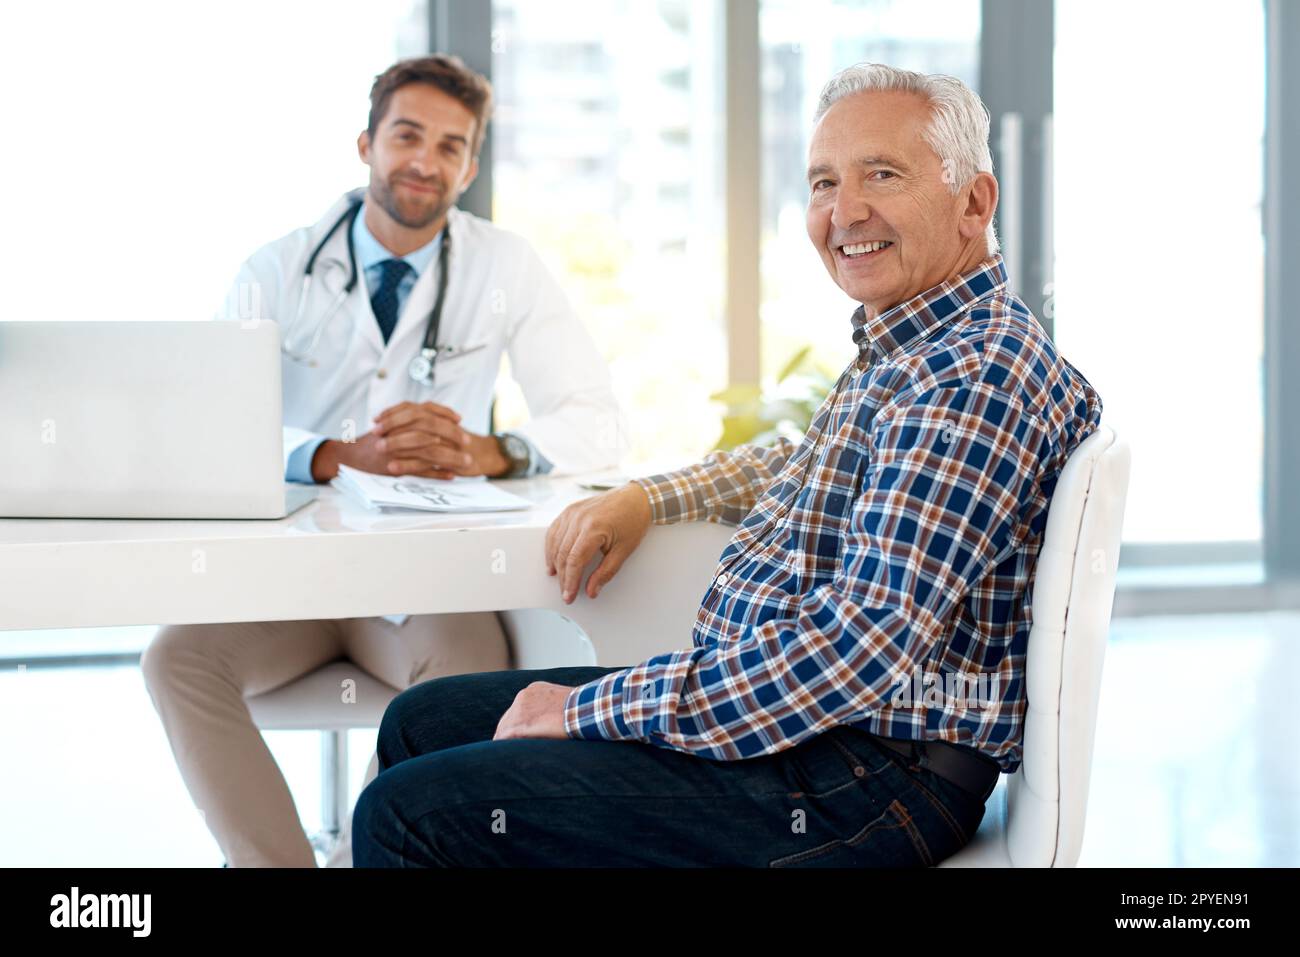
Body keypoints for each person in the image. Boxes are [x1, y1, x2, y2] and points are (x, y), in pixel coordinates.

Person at [350, 62, 1102, 867]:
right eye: (822, 182)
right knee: (419, 722)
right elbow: (799, 460)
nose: (844, 212)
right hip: (811, 736)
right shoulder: (919, 342)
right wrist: (651, 497)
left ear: (974, 202)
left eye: (881, 173)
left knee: (407, 816)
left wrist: (590, 709)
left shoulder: (968, 378)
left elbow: (853, 650)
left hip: (853, 776)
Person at [140, 54, 628, 868]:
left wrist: (492, 450)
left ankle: (368, 858)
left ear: (469, 167)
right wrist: (331, 455)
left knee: (471, 667)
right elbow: (206, 432)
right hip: (289, 584)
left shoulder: (504, 267)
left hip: (420, 584)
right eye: (407, 135)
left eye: (450, 146)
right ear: (367, 143)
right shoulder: (278, 269)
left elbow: (600, 424)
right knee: (175, 660)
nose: (424, 162)